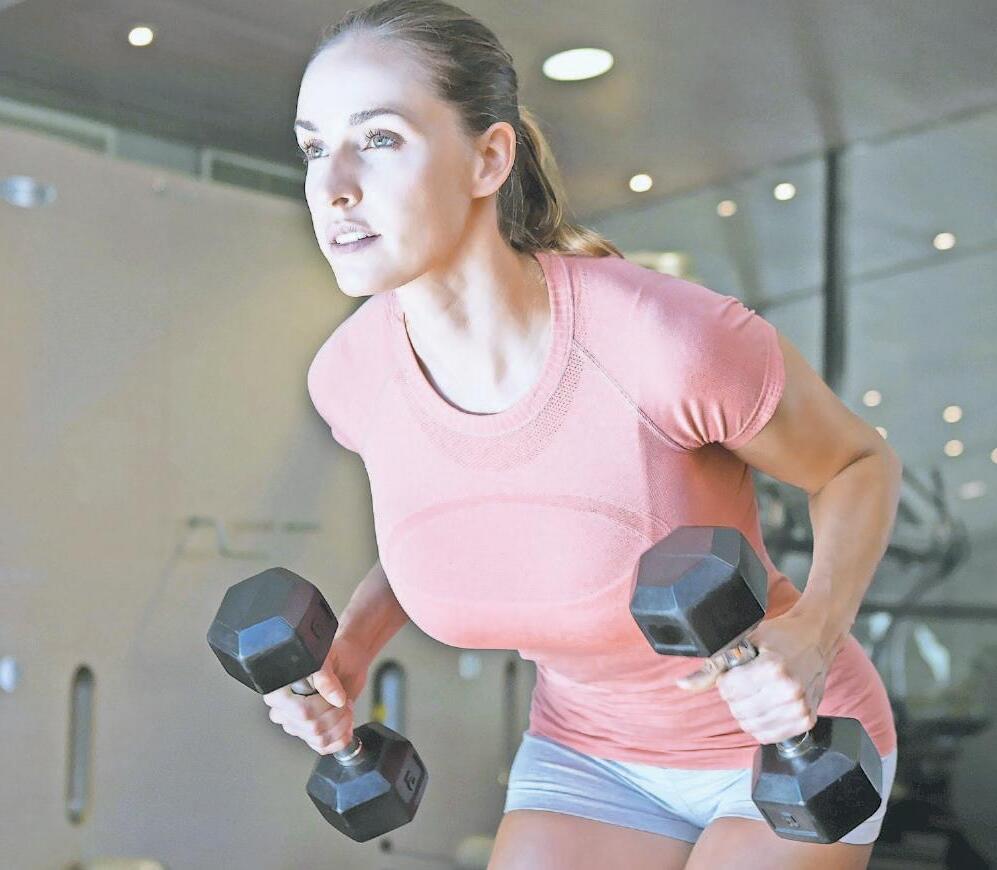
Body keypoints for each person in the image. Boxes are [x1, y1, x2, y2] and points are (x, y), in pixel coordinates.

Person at [264, 2, 902, 867]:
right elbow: (458, 524)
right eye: (312, 147)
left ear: (489, 158)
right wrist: (349, 654)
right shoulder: (350, 376)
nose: (333, 185)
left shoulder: (662, 341)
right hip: (585, 755)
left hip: (786, 744)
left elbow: (857, 463)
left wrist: (814, 634)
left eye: (378, 139)